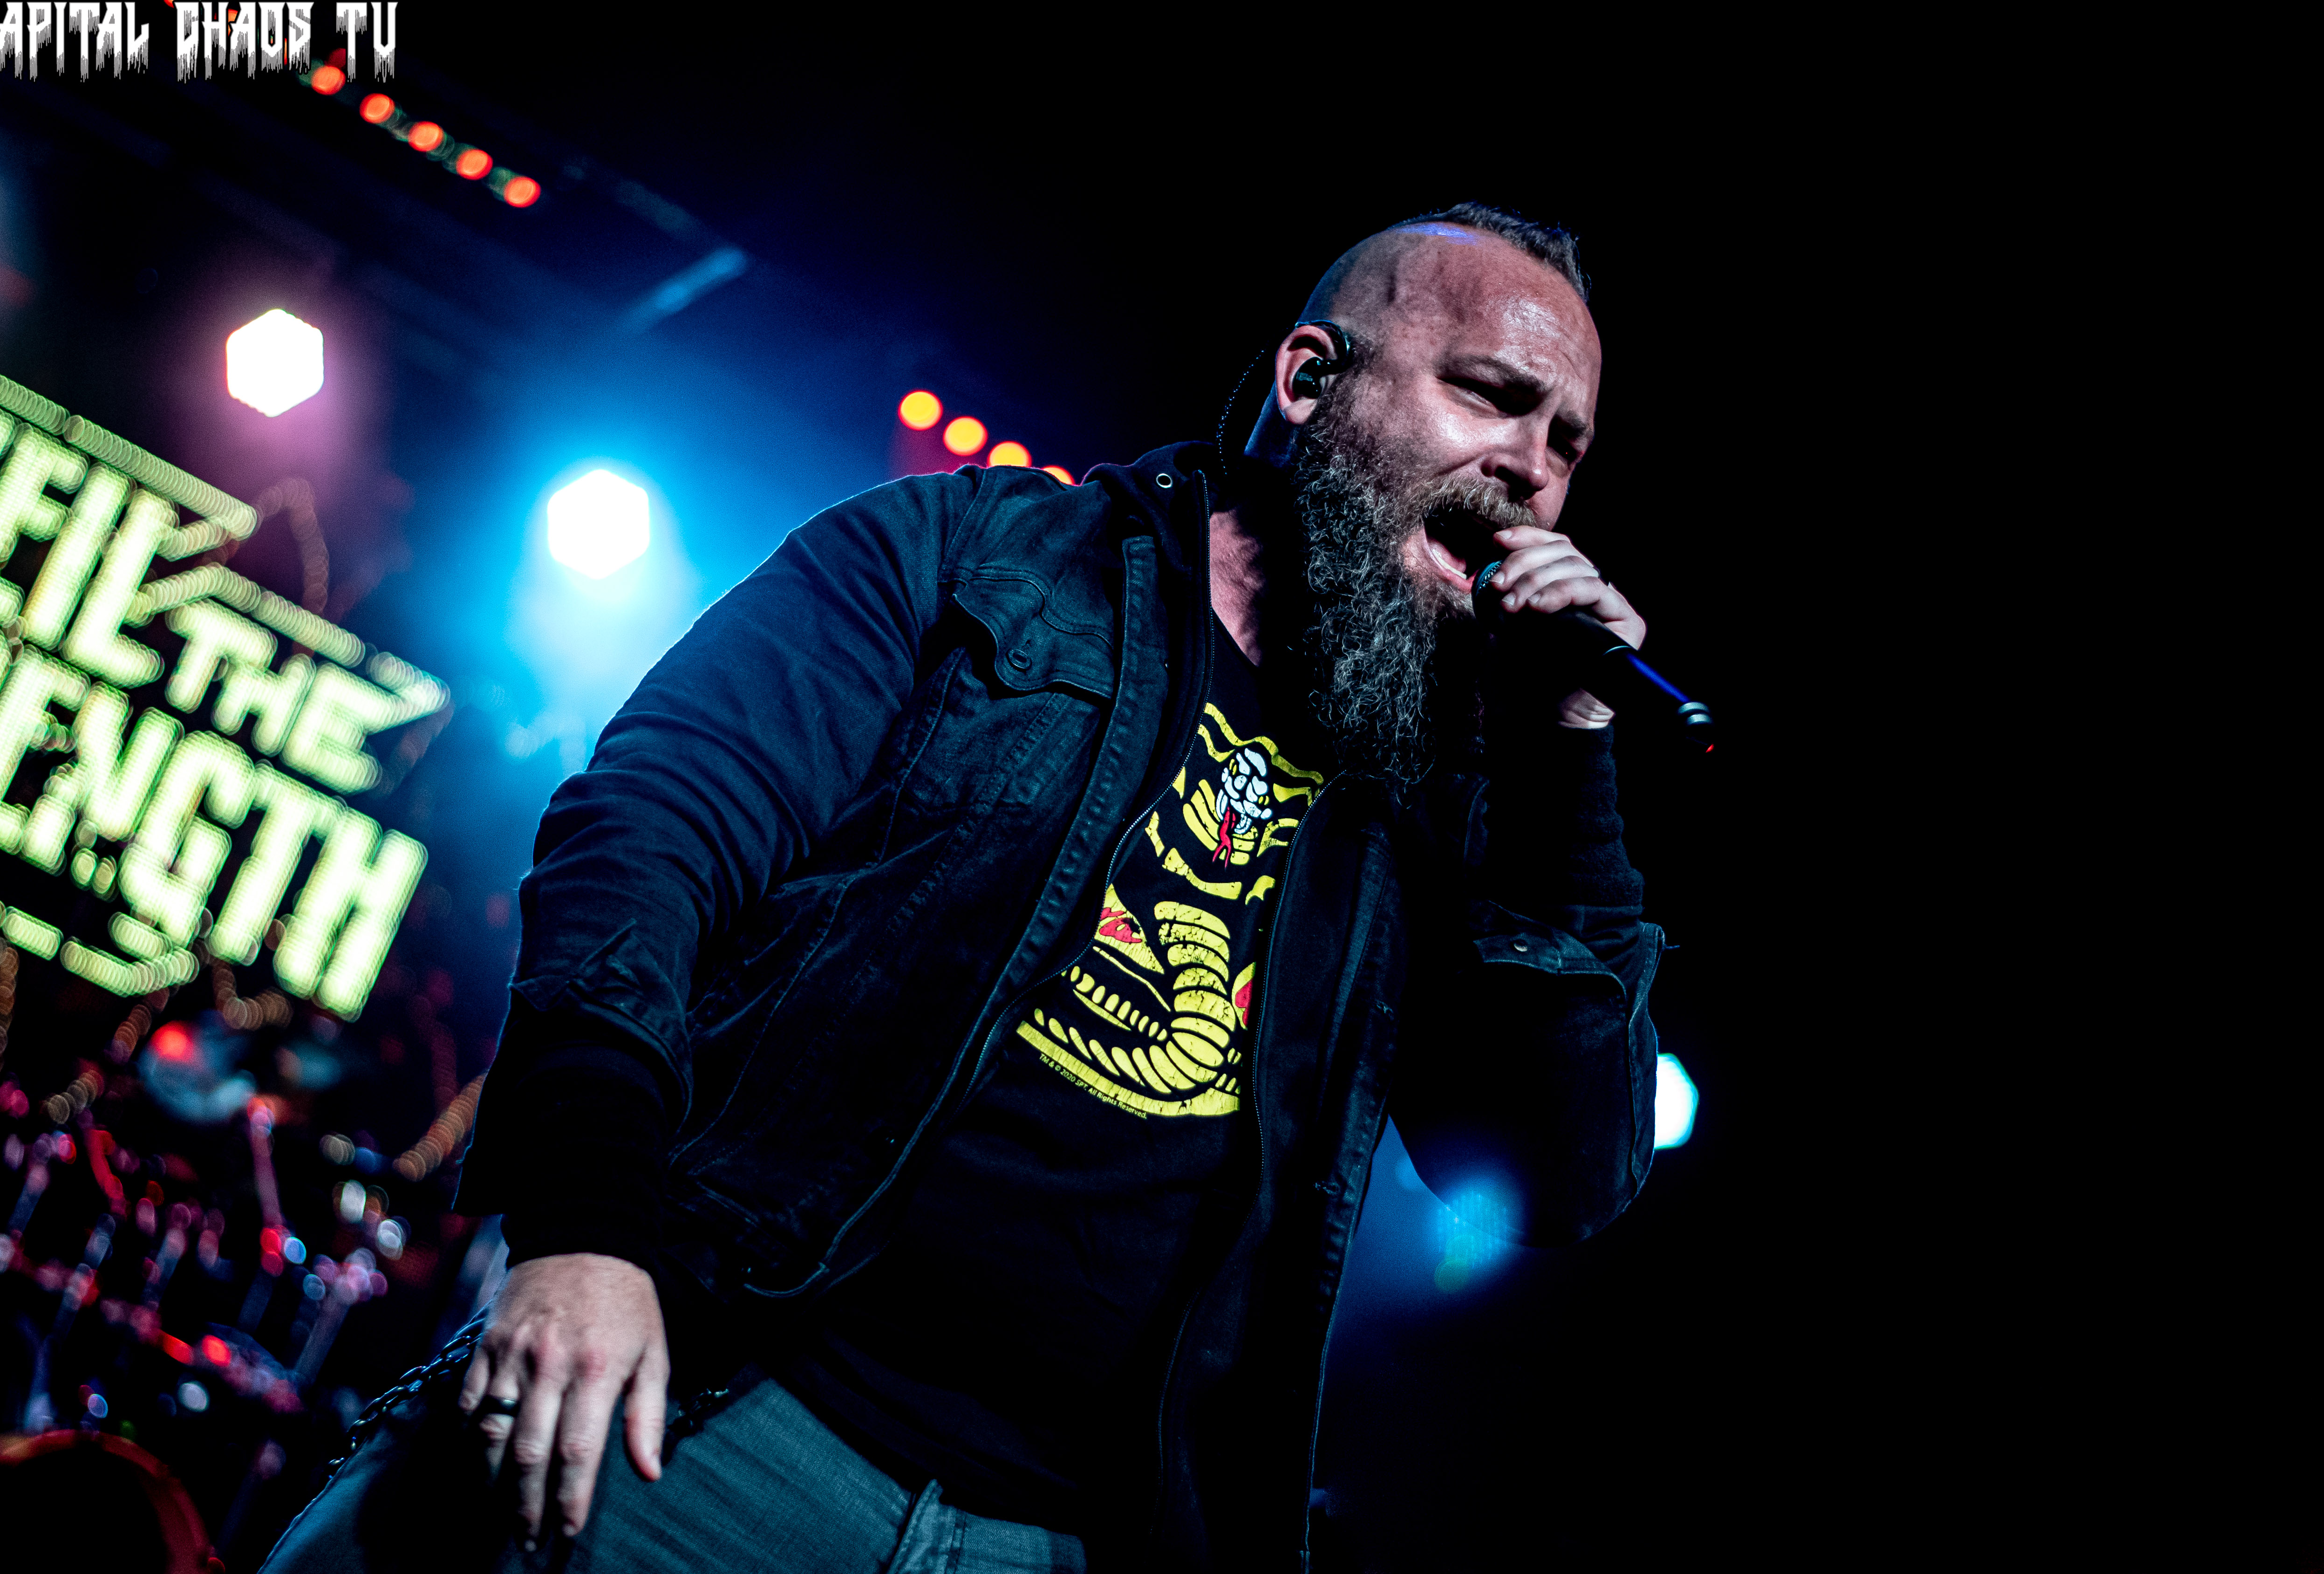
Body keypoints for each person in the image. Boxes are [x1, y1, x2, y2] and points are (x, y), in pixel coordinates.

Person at [261, 201, 1665, 1574]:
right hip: (713, 1408)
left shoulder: (1447, 806)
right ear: (1310, 381)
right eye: (1492, 397)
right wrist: (583, 1227)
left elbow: (1560, 1173)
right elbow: (644, 842)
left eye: (1566, 443)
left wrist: (1571, 752)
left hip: (1063, 1533)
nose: (1530, 471)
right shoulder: (977, 556)